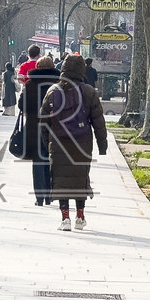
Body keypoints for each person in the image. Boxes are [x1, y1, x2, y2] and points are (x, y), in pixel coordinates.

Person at [44, 54, 108, 230]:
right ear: (82, 70)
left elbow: (44, 122)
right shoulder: (89, 92)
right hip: (82, 143)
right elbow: (98, 122)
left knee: (61, 179)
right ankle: (80, 217)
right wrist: (102, 145)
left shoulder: (53, 91)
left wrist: (46, 143)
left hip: (58, 143)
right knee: (80, 179)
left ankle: (65, 219)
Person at [20, 52, 59, 206]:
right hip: (54, 127)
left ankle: (39, 197)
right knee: (51, 160)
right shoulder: (59, 85)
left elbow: (22, 106)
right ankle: (50, 195)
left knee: (38, 161)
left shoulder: (30, 85)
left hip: (34, 128)